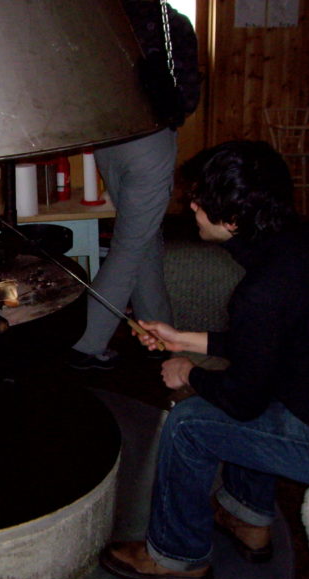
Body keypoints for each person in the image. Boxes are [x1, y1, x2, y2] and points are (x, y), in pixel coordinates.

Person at [99, 140, 309, 579]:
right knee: (260, 387)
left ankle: (177, 556)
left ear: (232, 221)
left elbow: (243, 399)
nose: (191, 205)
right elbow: (275, 342)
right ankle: (248, 520)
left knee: (191, 423)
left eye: (201, 201)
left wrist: (188, 371)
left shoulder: (263, 290)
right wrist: (184, 338)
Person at [69, 0, 200, 369]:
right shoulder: (171, 23)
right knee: (131, 245)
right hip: (150, 139)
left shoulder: (102, 18)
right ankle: (86, 343)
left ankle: (159, 330)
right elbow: (187, 96)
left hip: (108, 141)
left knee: (144, 239)